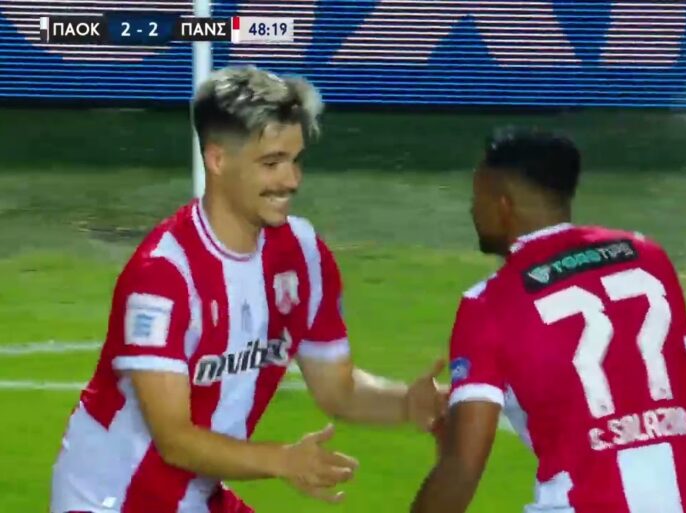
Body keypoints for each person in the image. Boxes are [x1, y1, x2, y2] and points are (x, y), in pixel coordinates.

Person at [50, 65, 447, 513]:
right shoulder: (163, 275)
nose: (291, 180)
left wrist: (406, 404)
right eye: (271, 163)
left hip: (198, 494)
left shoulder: (302, 255)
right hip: (109, 498)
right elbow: (174, 439)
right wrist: (283, 460)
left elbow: (337, 389)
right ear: (218, 160)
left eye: (295, 160)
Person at [411, 127, 686, 513]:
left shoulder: (488, 304)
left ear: (502, 203)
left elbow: (462, 470)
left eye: (476, 197)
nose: (472, 211)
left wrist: (453, 436)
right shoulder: (649, 257)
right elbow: (667, 376)